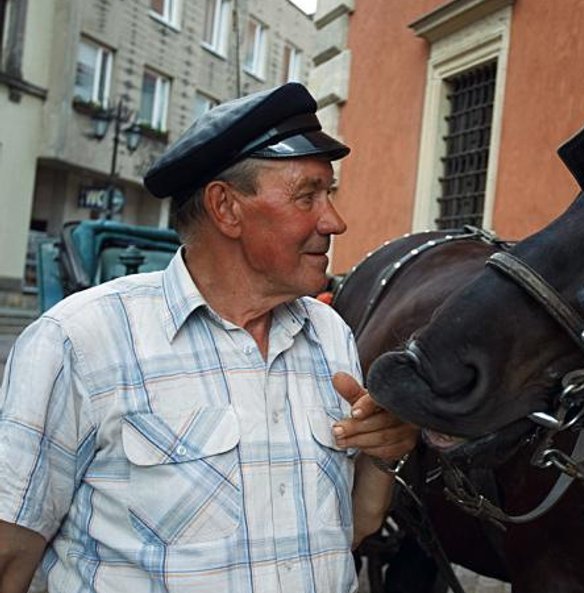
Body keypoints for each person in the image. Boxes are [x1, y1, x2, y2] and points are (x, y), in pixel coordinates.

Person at [0, 82, 416, 593]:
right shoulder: (81, 341)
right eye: (308, 195)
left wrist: (382, 454)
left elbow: (350, 530)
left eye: (329, 195)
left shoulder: (329, 334)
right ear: (226, 208)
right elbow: (9, 555)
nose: (336, 220)